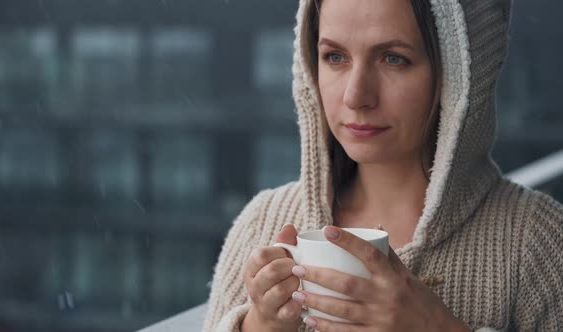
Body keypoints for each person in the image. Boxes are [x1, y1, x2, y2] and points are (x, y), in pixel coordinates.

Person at [202, 0, 563, 330]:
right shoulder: (262, 223)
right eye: (335, 56)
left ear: (462, 72)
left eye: (393, 58)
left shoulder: (539, 243)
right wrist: (258, 326)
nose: (356, 96)